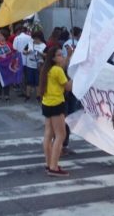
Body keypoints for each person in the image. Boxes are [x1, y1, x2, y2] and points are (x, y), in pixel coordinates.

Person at [39, 46, 74, 177]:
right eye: (59, 55)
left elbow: (63, 63)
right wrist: (75, 76)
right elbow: (69, 87)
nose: (61, 56)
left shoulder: (47, 68)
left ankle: (49, 164)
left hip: (46, 103)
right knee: (60, 135)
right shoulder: (58, 70)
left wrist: (69, 55)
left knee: (48, 134)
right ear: (53, 58)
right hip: (57, 103)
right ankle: (54, 167)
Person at [24, 31, 47, 102]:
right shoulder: (30, 43)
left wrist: (41, 53)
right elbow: (23, 51)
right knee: (29, 81)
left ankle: (38, 96)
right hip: (29, 65)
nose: (35, 40)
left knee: (38, 81)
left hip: (39, 65)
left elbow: (46, 55)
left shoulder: (44, 45)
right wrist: (27, 52)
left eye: (36, 39)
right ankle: (27, 95)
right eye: (34, 38)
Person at [0, 30, 14, 101]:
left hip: (7, 64)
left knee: (7, 79)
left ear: (5, 36)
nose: (0, 37)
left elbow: (12, 54)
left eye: (2, 35)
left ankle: (6, 95)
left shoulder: (9, 44)